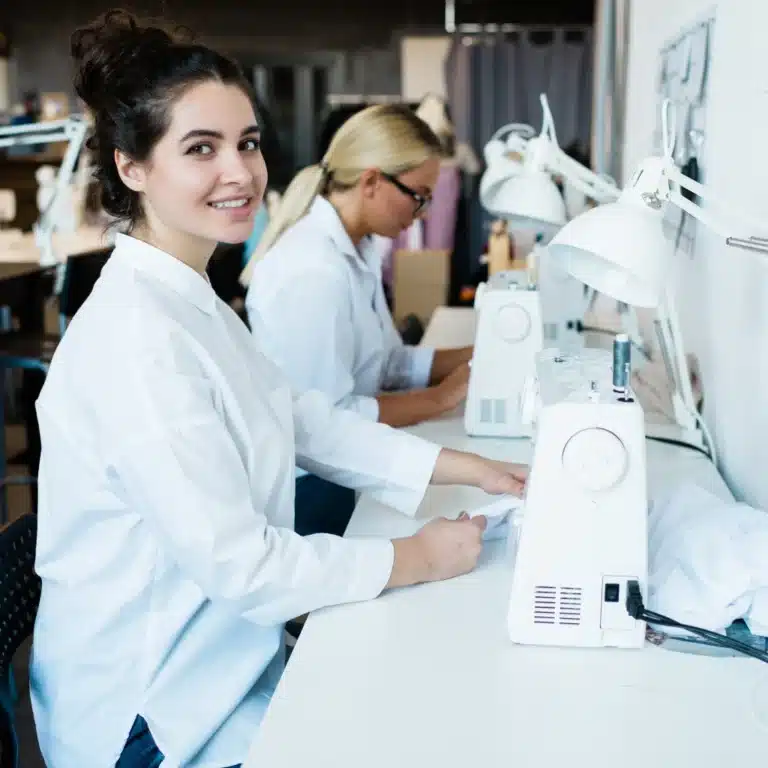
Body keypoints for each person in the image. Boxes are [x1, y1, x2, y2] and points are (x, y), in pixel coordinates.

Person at [28, 11, 528, 768]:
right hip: (153, 715)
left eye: (248, 143)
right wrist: (418, 556)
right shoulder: (138, 342)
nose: (241, 172)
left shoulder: (189, 298)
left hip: (224, 659)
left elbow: (300, 418)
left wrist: (471, 469)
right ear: (132, 167)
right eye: (202, 149)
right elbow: (246, 568)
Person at [241, 104, 476, 537]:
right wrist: (440, 399)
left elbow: (383, 363)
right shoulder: (312, 270)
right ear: (371, 181)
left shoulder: (358, 251)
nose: (423, 213)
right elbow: (328, 421)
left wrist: (478, 358)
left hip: (342, 464)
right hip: (310, 483)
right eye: (419, 196)